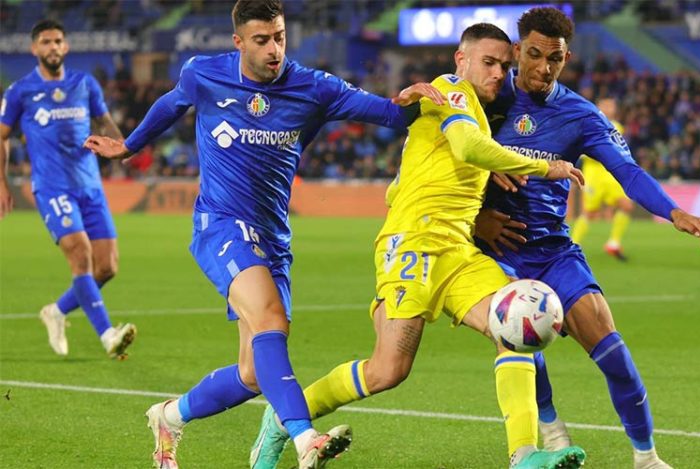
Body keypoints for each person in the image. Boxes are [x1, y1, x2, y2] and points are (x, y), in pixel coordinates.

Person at [84, 1, 445, 468]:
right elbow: (171, 103)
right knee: (270, 320)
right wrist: (130, 146)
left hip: (273, 238)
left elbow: (394, 116)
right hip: (220, 224)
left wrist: (426, 94)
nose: (274, 49)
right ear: (238, 42)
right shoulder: (204, 75)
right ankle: (304, 440)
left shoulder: (314, 88)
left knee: (255, 373)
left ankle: (169, 416)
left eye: (279, 37)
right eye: (261, 40)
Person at [249, 23, 587, 469]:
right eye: (488, 62)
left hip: (458, 252)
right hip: (413, 244)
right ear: (460, 60)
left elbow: (470, 153)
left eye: (504, 66)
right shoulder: (452, 90)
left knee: (516, 328)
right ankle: (282, 421)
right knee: (387, 370)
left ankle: (524, 454)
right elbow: (468, 148)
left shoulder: (482, 113)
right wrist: (545, 167)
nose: (497, 73)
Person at [475, 8, 700, 469]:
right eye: (533, 55)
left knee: (612, 351)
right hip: (495, 252)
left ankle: (646, 458)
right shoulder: (482, 101)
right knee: (519, 336)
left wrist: (673, 210)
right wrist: (476, 222)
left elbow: (626, 170)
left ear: (566, 59)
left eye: (556, 59)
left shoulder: (579, 114)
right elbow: (440, 163)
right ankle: (551, 432)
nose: (543, 68)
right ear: (515, 51)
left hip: (552, 250)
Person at [0, 19, 136, 359]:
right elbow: (1, 137)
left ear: (66, 46)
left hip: (89, 185)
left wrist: (125, 146)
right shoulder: (20, 91)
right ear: (34, 49)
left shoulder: (85, 84)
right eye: (46, 42)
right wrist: (2, 182)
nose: (53, 47)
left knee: (107, 268)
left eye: (58, 41)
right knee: (80, 253)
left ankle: (56, 311)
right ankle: (108, 335)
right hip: (51, 187)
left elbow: (104, 122)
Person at [569, 97, 634, 261]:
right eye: (605, 105)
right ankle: (572, 245)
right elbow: (582, 151)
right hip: (594, 175)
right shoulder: (586, 124)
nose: (609, 108)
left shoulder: (617, 127)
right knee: (590, 213)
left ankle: (613, 243)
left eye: (611, 105)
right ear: (597, 107)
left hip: (611, 174)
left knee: (626, 205)